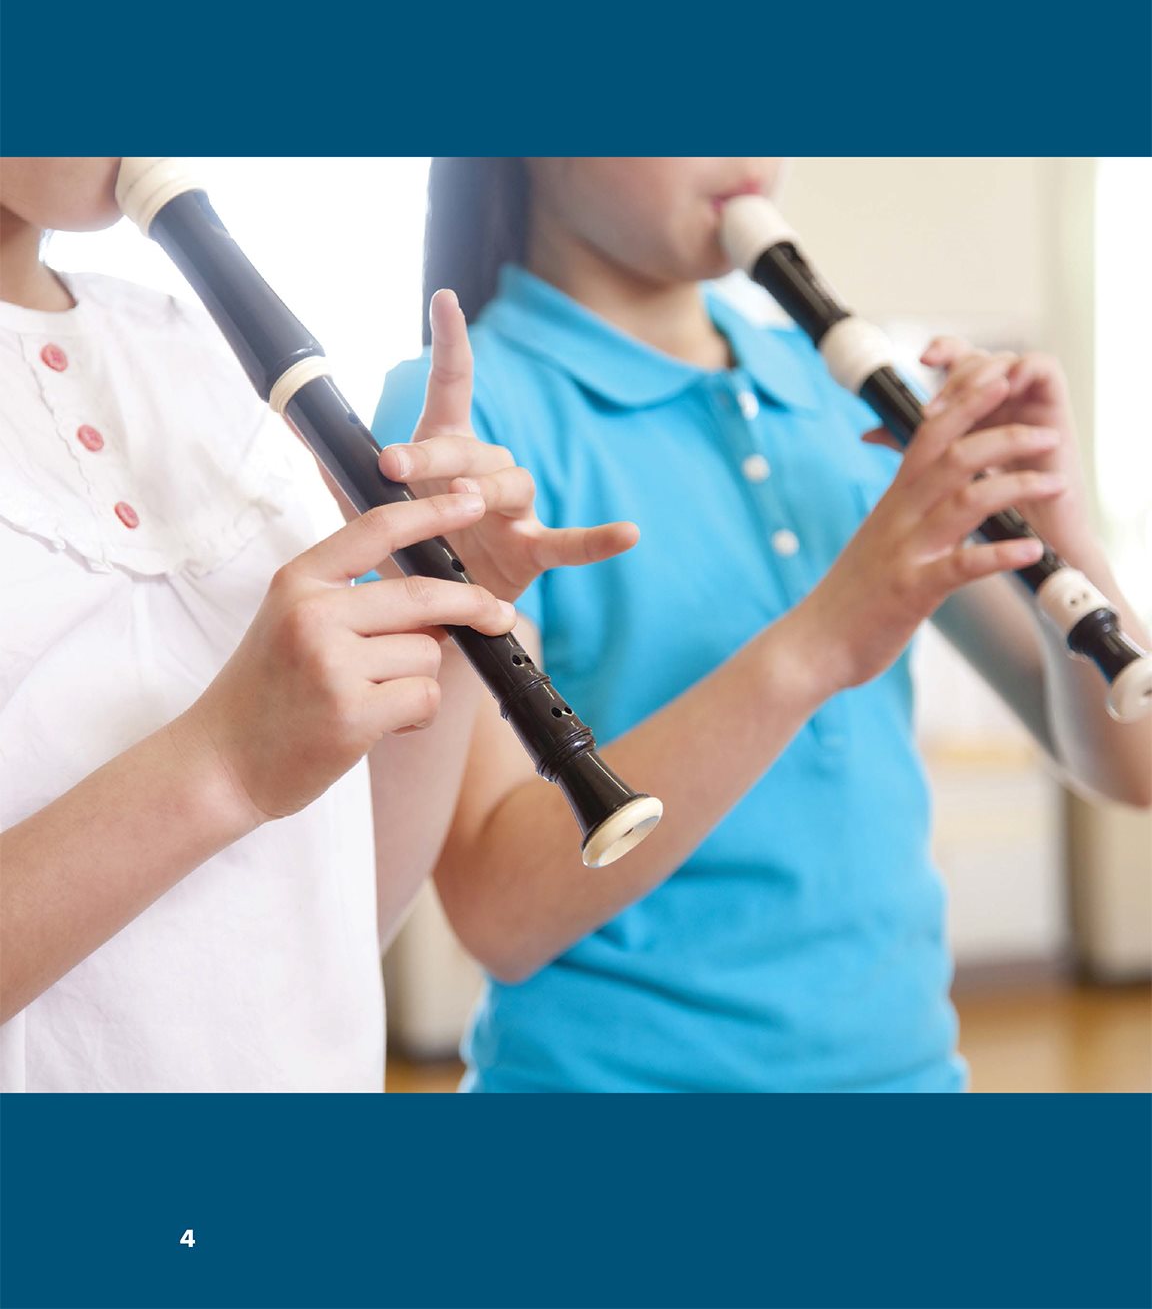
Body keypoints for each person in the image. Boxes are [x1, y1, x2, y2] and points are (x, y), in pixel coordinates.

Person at [374, 157, 1151, 1093]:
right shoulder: (458, 419)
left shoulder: (839, 393)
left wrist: (1057, 524)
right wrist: (819, 643)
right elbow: (499, 913)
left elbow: (1132, 765)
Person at [0, 156, 633, 1092]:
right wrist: (221, 768)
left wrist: (451, 624)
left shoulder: (192, 353)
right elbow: (241, 778)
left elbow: (333, 917)